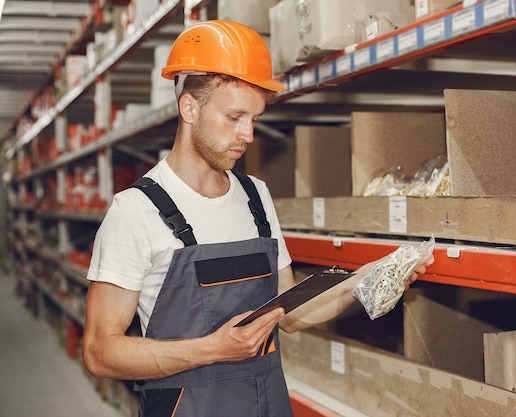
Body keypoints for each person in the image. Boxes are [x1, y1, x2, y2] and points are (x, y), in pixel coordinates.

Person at [82, 20, 427, 417]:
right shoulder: (136, 211)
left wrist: (366, 279)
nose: (247, 134)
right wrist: (214, 349)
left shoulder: (255, 197)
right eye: (234, 117)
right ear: (189, 107)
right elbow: (99, 351)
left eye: (254, 118)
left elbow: (291, 312)